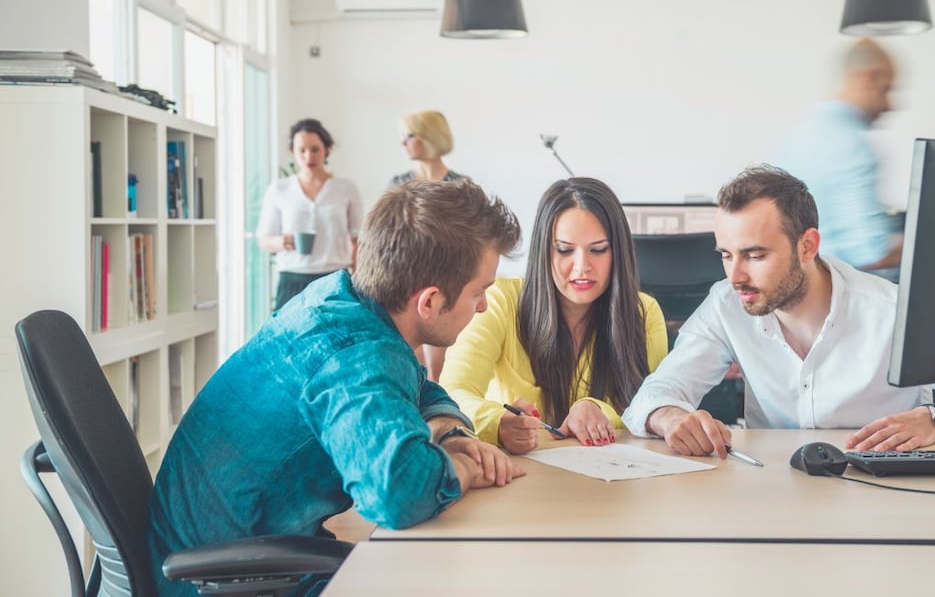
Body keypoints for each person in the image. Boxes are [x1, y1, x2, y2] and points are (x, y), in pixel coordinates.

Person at [148, 180, 525, 597]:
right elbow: (397, 493)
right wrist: (467, 468)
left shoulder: (344, 299)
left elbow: (418, 389)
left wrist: (450, 434)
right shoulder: (357, 357)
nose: (484, 306)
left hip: (237, 554)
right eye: (479, 292)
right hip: (220, 581)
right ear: (430, 301)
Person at [622, 165, 935, 457]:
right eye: (726, 255)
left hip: (882, 491)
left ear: (807, 246)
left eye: (755, 255)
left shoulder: (893, 310)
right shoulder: (727, 304)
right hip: (771, 489)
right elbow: (655, 394)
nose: (736, 275)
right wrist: (670, 416)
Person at [439, 177, 668, 454]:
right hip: (519, 480)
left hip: (612, 485)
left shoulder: (644, 313)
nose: (582, 266)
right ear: (543, 251)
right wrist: (497, 422)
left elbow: (652, 405)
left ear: (617, 252)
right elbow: (452, 393)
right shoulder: (499, 301)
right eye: (564, 250)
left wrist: (596, 409)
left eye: (598, 250)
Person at [772, 37, 903, 273]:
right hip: (844, 295)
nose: (889, 105)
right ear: (867, 78)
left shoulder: (798, 136)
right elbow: (871, 250)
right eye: (886, 89)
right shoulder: (852, 144)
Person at [256, 118, 365, 311]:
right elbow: (264, 239)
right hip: (292, 280)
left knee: (337, 339)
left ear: (327, 149)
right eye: (302, 150)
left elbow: (358, 240)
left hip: (335, 280)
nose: (308, 156)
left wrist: (358, 282)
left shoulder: (346, 188)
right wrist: (283, 242)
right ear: (293, 152)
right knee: (288, 340)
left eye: (315, 149)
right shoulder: (279, 189)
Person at [390, 110, 467, 185]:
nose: (403, 142)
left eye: (409, 136)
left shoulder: (460, 186)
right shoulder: (399, 184)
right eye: (403, 136)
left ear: (430, 137)